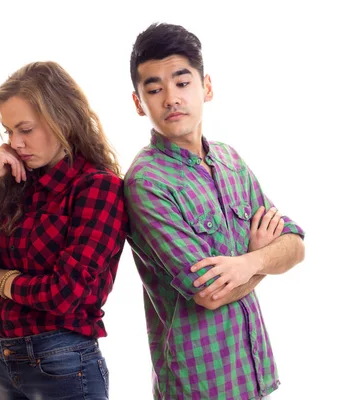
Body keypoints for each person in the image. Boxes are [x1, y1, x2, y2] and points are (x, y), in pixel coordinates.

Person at [124, 23, 306, 400]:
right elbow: (208, 293)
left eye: (182, 82)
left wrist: (246, 263)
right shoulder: (147, 182)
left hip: (251, 375)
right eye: (155, 89)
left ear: (206, 86)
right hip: (199, 387)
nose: (171, 98)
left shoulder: (229, 160)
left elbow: (296, 246)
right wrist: (259, 258)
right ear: (139, 103)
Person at [0, 61, 128, 400]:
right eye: (8, 131)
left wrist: (1, 279)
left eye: (26, 129)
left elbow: (66, 294)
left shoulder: (97, 188)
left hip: (62, 361)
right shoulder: (13, 181)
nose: (15, 142)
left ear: (62, 118)